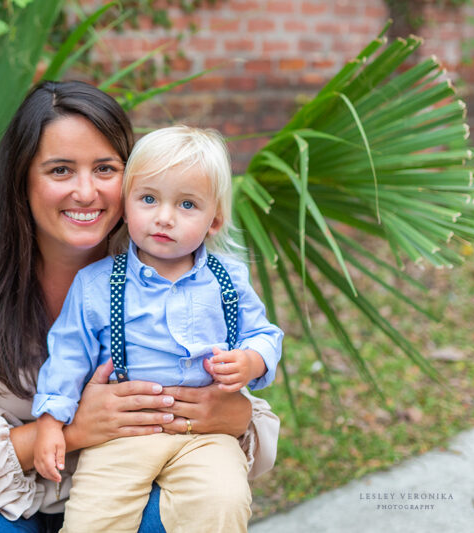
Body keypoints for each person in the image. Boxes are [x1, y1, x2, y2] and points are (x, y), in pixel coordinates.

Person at [0, 81, 281, 533]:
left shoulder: (165, 259)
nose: (86, 192)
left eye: (104, 168)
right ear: (22, 178)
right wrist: (71, 430)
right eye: (60, 170)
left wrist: (233, 413)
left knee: (183, 514)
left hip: (117, 478)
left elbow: (222, 369)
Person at [31, 126, 284, 533]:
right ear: (126, 205)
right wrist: (48, 423)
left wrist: (251, 361)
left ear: (214, 220)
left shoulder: (228, 281)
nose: (164, 217)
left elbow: (264, 335)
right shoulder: (98, 283)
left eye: (187, 204)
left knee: (223, 502)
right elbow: (68, 353)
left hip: (206, 434)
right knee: (94, 520)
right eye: (149, 199)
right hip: (121, 438)